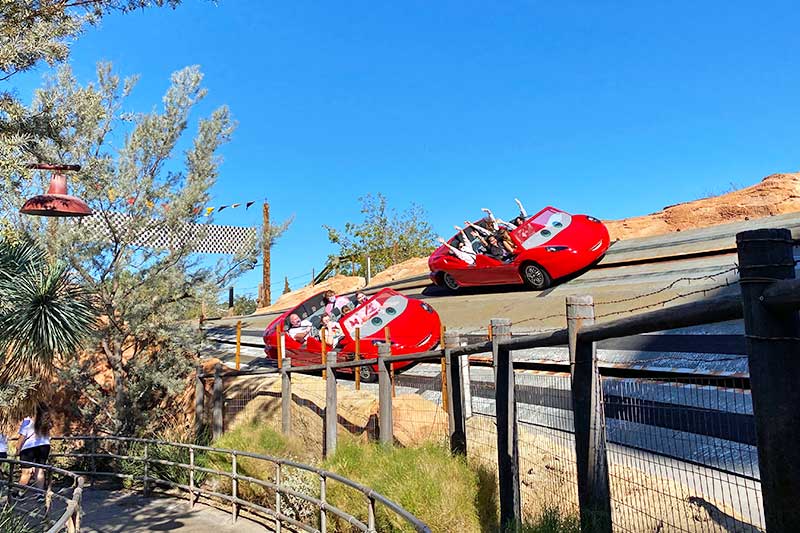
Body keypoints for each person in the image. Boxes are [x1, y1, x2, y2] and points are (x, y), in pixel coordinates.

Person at [17, 403, 52, 498]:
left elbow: (22, 437)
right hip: (44, 446)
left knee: (26, 472)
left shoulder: (28, 421)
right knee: (40, 470)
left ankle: (20, 492)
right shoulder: (46, 422)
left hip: (29, 448)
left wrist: (18, 449)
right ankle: (40, 493)